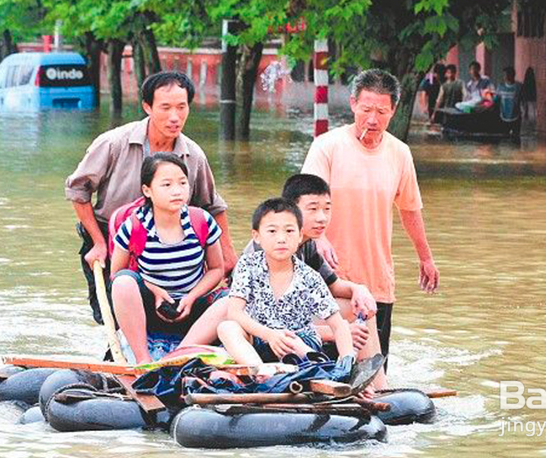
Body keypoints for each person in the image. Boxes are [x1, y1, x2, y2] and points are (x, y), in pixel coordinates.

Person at [65, 71, 238, 325]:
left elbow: (212, 205)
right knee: (114, 316)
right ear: (147, 106)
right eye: (165, 108)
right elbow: (78, 191)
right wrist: (98, 243)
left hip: (170, 246)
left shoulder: (193, 155)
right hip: (112, 239)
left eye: (181, 107)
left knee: (173, 314)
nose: (174, 117)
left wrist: (228, 253)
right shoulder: (114, 143)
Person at [302, 68, 440, 368]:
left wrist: (426, 258)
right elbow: (305, 201)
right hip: (328, 280)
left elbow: (409, 209)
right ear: (353, 104)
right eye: (366, 110)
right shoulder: (327, 146)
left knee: (374, 373)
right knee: (326, 370)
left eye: (381, 111)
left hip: (376, 280)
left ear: (393, 110)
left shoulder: (400, 153)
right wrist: (320, 238)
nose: (373, 119)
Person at [241, 174, 386, 388]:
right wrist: (336, 332)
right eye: (313, 209)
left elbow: (334, 287)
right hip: (260, 327)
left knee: (360, 307)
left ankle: (377, 384)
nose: (322, 218)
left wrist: (359, 290)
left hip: (295, 321)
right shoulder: (268, 249)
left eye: (327, 209)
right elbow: (267, 315)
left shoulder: (307, 245)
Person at [109, 153, 228, 364]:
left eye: (182, 183)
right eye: (166, 184)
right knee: (123, 283)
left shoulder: (201, 220)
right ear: (147, 190)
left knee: (231, 300)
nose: (177, 191)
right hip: (151, 310)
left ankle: (177, 356)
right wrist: (154, 291)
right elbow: (116, 273)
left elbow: (217, 269)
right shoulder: (133, 226)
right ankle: (143, 360)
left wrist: (191, 297)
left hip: (194, 310)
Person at [218, 198, 354, 366]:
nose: (281, 239)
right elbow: (235, 313)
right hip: (262, 337)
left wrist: (347, 361)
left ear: (300, 236)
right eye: (272, 231)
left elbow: (339, 326)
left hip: (299, 341)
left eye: (289, 231)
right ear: (256, 236)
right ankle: (261, 371)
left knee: (294, 341)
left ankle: (316, 365)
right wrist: (269, 335)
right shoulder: (247, 265)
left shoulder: (310, 277)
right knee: (227, 328)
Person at [496, 66, 523, 137]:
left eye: (508, 74)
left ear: (513, 75)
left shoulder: (519, 86)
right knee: (503, 139)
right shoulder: (500, 86)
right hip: (503, 117)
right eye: (504, 75)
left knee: (516, 138)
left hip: (516, 117)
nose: (506, 76)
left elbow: (523, 100)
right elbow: (497, 100)